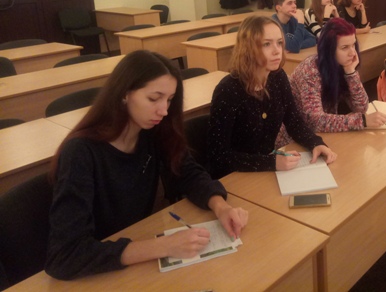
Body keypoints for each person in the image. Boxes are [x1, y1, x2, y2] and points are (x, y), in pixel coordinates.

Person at [45, 50, 248, 281]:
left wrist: (221, 207)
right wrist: (163, 246)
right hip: (102, 270)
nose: (164, 110)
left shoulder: (152, 130)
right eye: (154, 99)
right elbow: (64, 256)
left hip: (138, 251)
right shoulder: (80, 152)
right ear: (124, 94)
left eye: (169, 100)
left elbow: (187, 172)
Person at [205, 15, 337, 180]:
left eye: (279, 43)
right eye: (267, 44)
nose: (277, 51)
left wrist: (315, 143)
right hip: (233, 178)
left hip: (264, 170)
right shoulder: (228, 90)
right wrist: (272, 162)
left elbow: (294, 122)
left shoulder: (277, 77)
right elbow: (219, 157)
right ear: (248, 48)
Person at [289, 18, 386, 133]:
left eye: (353, 45)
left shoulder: (342, 64)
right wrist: (362, 121)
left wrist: (351, 72)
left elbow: (361, 108)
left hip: (322, 133)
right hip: (295, 137)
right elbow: (315, 121)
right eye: (345, 47)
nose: (352, 53)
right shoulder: (310, 70)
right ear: (329, 50)